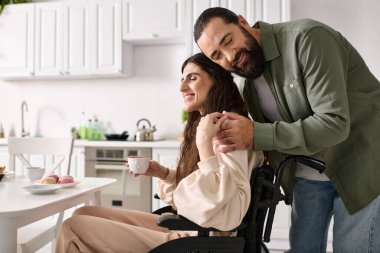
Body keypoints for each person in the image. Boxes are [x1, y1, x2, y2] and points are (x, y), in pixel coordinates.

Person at [193, 7, 380, 253]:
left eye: (228, 41)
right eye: (217, 56)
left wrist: (254, 134)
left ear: (242, 22)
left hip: (361, 164)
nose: (229, 56)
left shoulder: (307, 39)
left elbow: (333, 123)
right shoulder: (245, 83)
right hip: (307, 175)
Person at [55, 53, 264, 253]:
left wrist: (204, 147)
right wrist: (164, 173)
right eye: (182, 79)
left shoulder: (229, 130)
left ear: (217, 81)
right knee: (84, 212)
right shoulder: (210, 125)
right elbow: (207, 189)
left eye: (192, 78)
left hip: (199, 240)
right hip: (191, 227)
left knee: (73, 228)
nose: (182, 87)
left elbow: (232, 210)